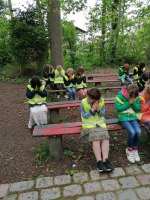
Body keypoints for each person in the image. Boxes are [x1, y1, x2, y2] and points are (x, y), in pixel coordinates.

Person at [81, 88, 114, 172]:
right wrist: (92, 110)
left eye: (97, 100)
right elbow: (84, 116)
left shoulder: (101, 101)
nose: (95, 102)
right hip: (88, 125)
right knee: (96, 139)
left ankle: (105, 160)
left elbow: (103, 113)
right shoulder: (83, 102)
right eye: (93, 101)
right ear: (88, 97)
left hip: (99, 123)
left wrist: (98, 109)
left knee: (105, 137)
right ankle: (99, 162)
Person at [115, 84, 141, 163]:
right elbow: (118, 109)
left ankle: (134, 149)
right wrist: (129, 103)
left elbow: (138, 109)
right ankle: (129, 150)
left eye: (134, 97)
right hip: (123, 118)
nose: (133, 98)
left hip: (133, 118)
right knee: (132, 132)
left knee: (138, 132)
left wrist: (133, 103)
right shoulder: (120, 96)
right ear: (126, 91)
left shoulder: (136, 97)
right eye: (131, 96)